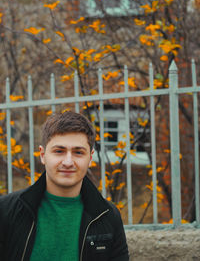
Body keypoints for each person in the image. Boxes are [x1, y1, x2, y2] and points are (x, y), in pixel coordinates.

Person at [0, 111, 129, 261]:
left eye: (78, 152)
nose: (68, 162)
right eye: (59, 151)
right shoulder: (6, 211)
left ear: (90, 157)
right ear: (43, 155)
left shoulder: (107, 216)